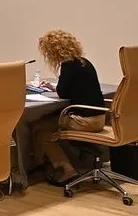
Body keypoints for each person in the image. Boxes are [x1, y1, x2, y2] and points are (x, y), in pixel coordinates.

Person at [31, 30, 107, 187]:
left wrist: (56, 87)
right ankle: (53, 164)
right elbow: (75, 88)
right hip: (100, 118)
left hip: (84, 121)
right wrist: (55, 87)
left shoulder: (68, 66)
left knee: (39, 129)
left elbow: (63, 92)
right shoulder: (84, 62)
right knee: (48, 121)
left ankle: (65, 169)